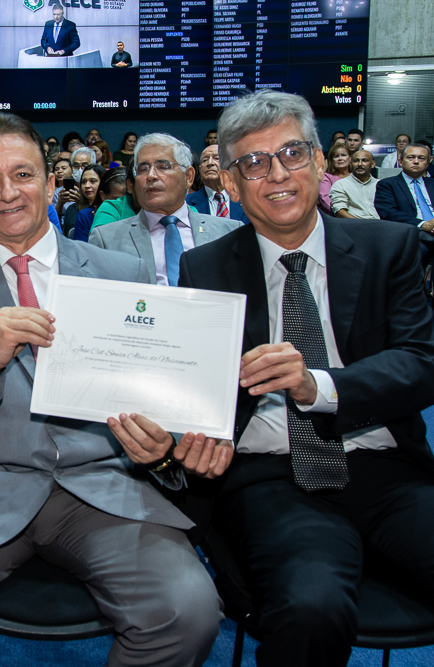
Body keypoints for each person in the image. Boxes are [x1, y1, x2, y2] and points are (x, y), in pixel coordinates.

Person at [0, 112, 222, 667]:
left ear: (51, 183)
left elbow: (159, 391)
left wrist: (162, 445)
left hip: (100, 488)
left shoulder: (120, 273)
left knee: (188, 608)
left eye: (23, 175)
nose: (7, 193)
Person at [178, 88, 434, 667]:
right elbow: (198, 390)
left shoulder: (389, 246)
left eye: (292, 154)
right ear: (231, 184)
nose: (277, 174)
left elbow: (421, 361)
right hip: (272, 478)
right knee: (311, 607)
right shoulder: (205, 267)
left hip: (388, 469)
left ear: (319, 162)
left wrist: (319, 386)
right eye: (253, 163)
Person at [89, 132, 239, 285]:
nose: (151, 176)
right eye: (143, 169)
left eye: (163, 167)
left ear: (188, 176)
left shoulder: (229, 232)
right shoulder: (106, 239)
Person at [375, 143, 434, 231]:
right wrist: (422, 224)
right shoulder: (387, 184)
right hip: (411, 231)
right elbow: (388, 213)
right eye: (411, 157)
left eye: (421, 158)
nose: (416, 161)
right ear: (400, 162)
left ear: (427, 163)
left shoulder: (432, 183)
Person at [186, 144, 250, 224]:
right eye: (205, 160)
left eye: (217, 158)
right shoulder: (187, 202)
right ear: (200, 169)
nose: (210, 163)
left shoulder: (247, 199)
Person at [329, 150, 379, 219]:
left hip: (381, 223)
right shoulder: (340, 185)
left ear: (373, 164)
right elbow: (339, 211)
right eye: (356, 161)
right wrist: (360, 223)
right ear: (351, 164)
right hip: (353, 224)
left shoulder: (380, 184)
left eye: (364, 160)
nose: (360, 164)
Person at [90, 167, 136, 231]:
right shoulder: (106, 209)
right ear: (103, 196)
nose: (123, 201)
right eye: (117, 198)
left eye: (128, 198)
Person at [70, 164, 105, 241]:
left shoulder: (113, 209)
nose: (87, 186)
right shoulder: (84, 214)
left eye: (93, 181)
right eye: (83, 182)